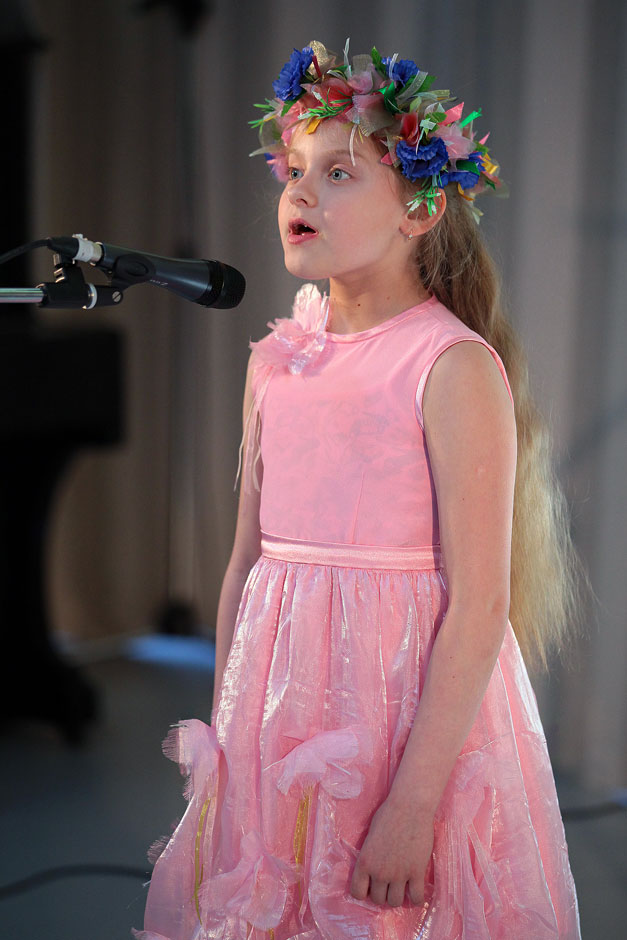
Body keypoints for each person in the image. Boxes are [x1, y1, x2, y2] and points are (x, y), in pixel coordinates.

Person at [134, 40, 583, 940]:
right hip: (280, 722)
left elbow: (480, 604)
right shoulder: (278, 360)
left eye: (337, 173)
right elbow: (246, 567)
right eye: (294, 171)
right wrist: (228, 747)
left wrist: (412, 804)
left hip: (397, 727)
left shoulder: (449, 366)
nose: (299, 193)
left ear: (420, 208)